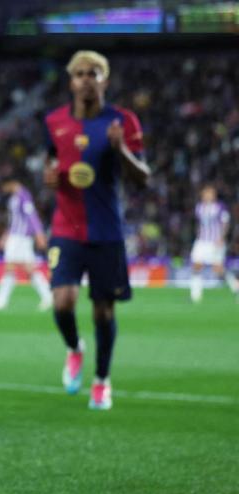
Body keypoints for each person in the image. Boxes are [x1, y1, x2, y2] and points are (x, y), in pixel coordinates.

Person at [43, 50, 151, 411]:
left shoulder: (123, 121)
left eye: (94, 73)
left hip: (106, 231)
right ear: (71, 81)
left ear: (105, 80)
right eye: (80, 74)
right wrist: (50, 177)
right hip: (66, 228)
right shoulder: (55, 122)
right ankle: (75, 349)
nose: (86, 79)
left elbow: (142, 179)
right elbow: (51, 163)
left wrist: (120, 150)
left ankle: (102, 380)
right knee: (62, 303)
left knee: (104, 311)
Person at [0, 179, 54, 311]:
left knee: (15, 268)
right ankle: (48, 297)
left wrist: (39, 234)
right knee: (27, 269)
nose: (3, 189)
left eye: (4, 186)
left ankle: (1, 301)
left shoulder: (23, 195)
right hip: (16, 237)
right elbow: (14, 220)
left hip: (21, 238)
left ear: (11, 183)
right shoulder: (15, 196)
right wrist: (6, 235)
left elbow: (32, 215)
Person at [189, 184, 238, 302]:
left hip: (215, 242)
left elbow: (225, 223)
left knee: (218, 269)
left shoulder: (220, 207)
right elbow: (199, 224)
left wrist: (221, 238)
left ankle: (236, 286)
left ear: (214, 195)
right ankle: (195, 296)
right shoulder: (199, 207)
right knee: (196, 266)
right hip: (201, 241)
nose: (207, 195)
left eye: (210, 193)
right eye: (205, 193)